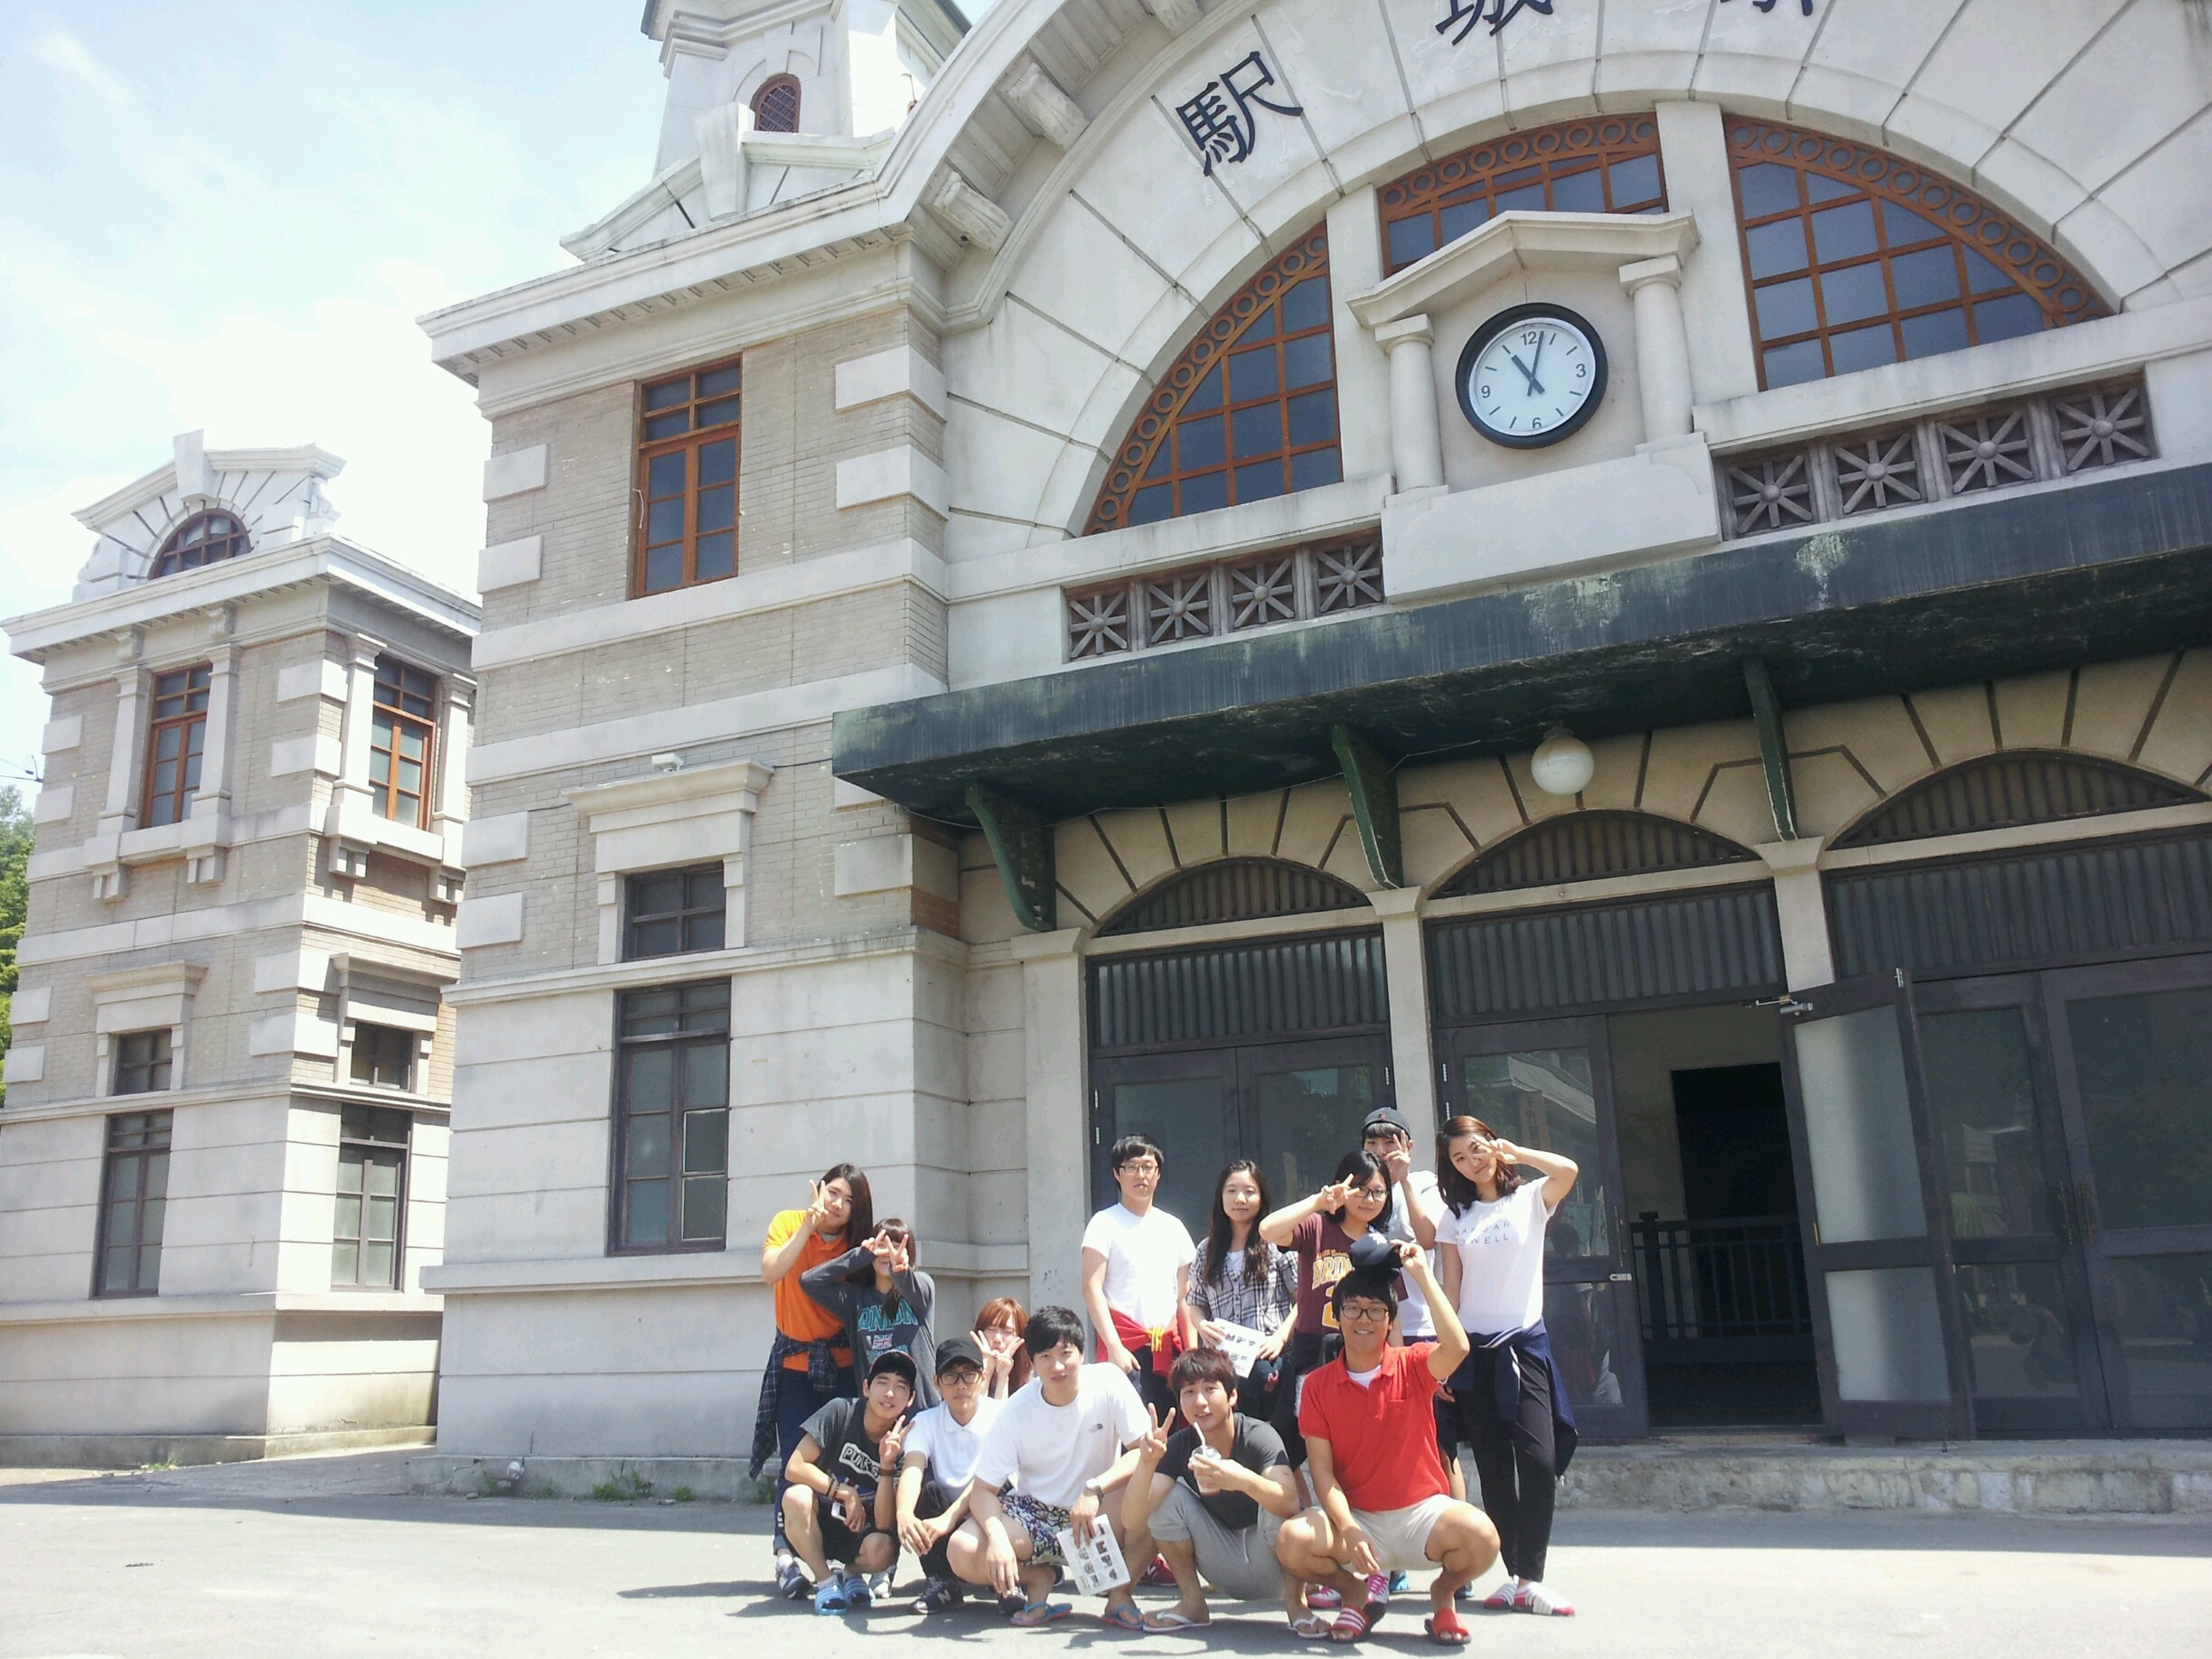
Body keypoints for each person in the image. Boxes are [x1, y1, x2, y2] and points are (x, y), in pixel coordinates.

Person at [1275, 1241, 1500, 1646]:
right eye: (1353, 1309)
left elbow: (1458, 1347)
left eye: (1376, 1310)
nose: (1364, 1319)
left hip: (1422, 1517)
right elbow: (1322, 1474)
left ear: (1390, 1319)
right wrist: (1348, 1527)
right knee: (1293, 1541)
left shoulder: (1413, 1364)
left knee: (1483, 1537)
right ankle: (1356, 1594)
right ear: (1337, 1317)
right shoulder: (1317, 1386)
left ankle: (1443, 1594)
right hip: (1358, 1518)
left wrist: (1423, 1275)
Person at [1435, 1116, 1582, 1617]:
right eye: (1459, 1158)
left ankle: (1532, 1578)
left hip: (1524, 1348)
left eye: (1476, 1149)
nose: (1471, 1162)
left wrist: (1519, 1153)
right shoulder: (1455, 1217)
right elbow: (1451, 1291)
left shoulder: (1531, 1198)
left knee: (1538, 1461)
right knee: (1494, 1469)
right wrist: (1445, 1360)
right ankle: (1517, 1576)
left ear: (1493, 1144)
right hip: (1474, 1355)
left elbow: (1568, 1170)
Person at [946, 1304, 1151, 1630]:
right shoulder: (1016, 1410)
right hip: (1036, 1516)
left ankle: (1120, 1596)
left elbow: (1143, 1451)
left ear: (1081, 1353)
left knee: (1158, 1490)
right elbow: (983, 1490)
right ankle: (1037, 1578)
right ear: (1031, 1362)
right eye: (1045, 1356)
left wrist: (1095, 1488)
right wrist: (997, 1538)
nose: (1057, 1366)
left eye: (1065, 1353)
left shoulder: (1109, 1381)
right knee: (962, 1549)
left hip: (1099, 1510)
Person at [1121, 1345, 1303, 1631]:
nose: (1199, 1402)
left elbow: (1291, 1503)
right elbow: (1132, 1520)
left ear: (1232, 1396)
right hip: (1222, 1567)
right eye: (1189, 1392)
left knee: (1276, 1499)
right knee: (1166, 1499)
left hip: (1274, 1566)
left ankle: (1297, 1605)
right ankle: (1193, 1603)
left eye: (1210, 1389)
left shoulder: (1258, 1436)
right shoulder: (1179, 1445)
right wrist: (1146, 1464)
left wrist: (1240, 1479)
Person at [755, 1165, 874, 1595]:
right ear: (819, 1190)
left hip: (843, 1367)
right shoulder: (788, 1222)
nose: (838, 1205)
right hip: (795, 1367)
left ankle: (843, 1558)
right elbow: (771, 1272)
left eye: (849, 1201)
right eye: (833, 1193)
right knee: (795, 1458)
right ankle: (785, 1555)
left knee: (844, 1464)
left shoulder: (857, 1245)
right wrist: (806, 1227)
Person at [1257, 1150, 1397, 1465]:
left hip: (1360, 1356)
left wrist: (1396, 1363)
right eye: (1361, 1189)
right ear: (1342, 1186)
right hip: (1311, 1352)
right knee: (1287, 1447)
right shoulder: (1317, 1227)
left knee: (1349, 1449)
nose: (1369, 1199)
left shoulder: (1381, 1246)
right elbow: (1267, 1229)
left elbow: (1392, 1316)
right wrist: (1317, 1201)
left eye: (1378, 1192)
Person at [781, 1350, 917, 1617]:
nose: (890, 1393)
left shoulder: (908, 1441)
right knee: (795, 1496)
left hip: (863, 1530)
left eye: (901, 1387)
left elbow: (883, 1523)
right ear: (866, 1388)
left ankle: (850, 1574)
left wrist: (887, 1465)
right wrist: (842, 1492)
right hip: (820, 1520)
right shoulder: (841, 1411)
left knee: (883, 1550)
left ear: (910, 1398)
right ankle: (826, 1581)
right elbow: (794, 1466)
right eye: (882, 1382)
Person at [1081, 1134, 1197, 1420]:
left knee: (1171, 1430)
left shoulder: (1174, 1227)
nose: (1140, 1175)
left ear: (1158, 1174)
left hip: (1168, 1351)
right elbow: (1092, 1288)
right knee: (1127, 1432)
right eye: (1131, 1167)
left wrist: (1193, 1352)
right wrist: (1114, 1347)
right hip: (1125, 1348)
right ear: (1116, 1174)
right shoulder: (1103, 1224)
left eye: (1148, 1167)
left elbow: (1184, 1298)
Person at [892, 1334, 1004, 1614]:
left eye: (969, 1375)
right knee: (925, 1492)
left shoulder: (1001, 1415)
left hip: (989, 1507)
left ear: (982, 1378)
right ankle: (942, 1581)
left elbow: (990, 1480)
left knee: (1007, 1492)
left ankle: (1006, 1582)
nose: (961, 1385)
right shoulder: (925, 1421)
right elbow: (913, 1468)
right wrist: (903, 1514)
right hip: (946, 1512)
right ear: (936, 1382)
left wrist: (949, 1518)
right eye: (951, 1377)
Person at [1186, 1160, 1298, 1424]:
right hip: (1224, 1363)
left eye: (1249, 1191)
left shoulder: (1277, 1243)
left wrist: (1280, 1337)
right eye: (1231, 1191)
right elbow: (1195, 1303)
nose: (1240, 1199)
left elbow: (1303, 1298)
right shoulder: (1206, 1250)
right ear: (1220, 1196)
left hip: (1268, 1359)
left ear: (1262, 1197)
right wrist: (1202, 1325)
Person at [801, 1217, 940, 1407]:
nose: (888, 1253)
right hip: (879, 1412)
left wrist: (900, 1270)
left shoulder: (921, 1286)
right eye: (881, 1246)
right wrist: (859, 1256)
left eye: (896, 1247)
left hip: (923, 1410)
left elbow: (912, 1286)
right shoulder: (855, 1299)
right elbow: (809, 1282)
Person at [974, 1296, 1032, 1399]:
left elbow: (1004, 1410)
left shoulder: (1031, 1380)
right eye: (991, 1329)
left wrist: (1003, 1377)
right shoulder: (965, 1372)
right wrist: (987, 1373)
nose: (997, 1339)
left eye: (1007, 1332)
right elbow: (977, 1409)